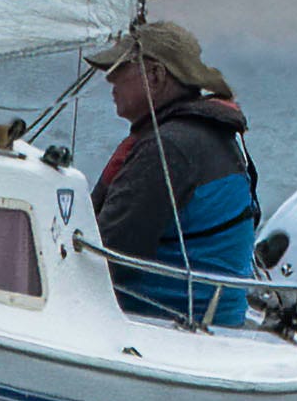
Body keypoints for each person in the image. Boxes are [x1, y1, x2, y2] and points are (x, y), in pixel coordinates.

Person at [85, 18, 260, 327]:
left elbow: (104, 257)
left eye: (120, 69)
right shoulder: (211, 133)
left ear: (155, 76)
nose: (110, 79)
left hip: (172, 321)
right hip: (221, 317)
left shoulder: (169, 148)